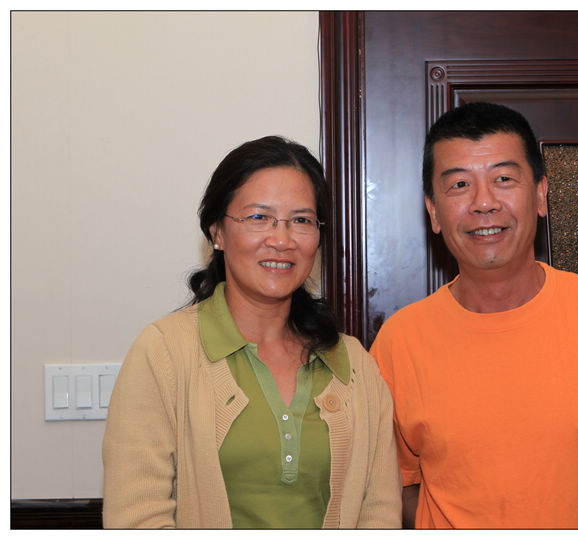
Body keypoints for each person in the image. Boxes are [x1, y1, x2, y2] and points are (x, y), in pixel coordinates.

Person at [369, 102, 578, 529]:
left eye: (503, 179)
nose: (484, 203)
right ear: (433, 212)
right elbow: (398, 486)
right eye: (460, 184)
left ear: (540, 195)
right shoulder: (399, 341)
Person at [103, 136, 402, 528]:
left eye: (301, 221)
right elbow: (136, 517)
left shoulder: (355, 365)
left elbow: (379, 511)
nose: (282, 240)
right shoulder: (164, 352)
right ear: (217, 232)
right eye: (259, 217)